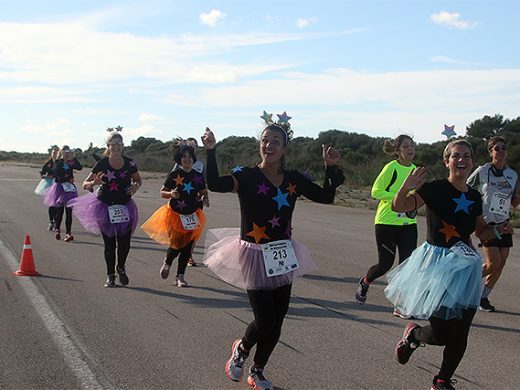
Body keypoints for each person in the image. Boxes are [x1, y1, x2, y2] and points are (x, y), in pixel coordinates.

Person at [201, 111, 344, 390]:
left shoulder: (293, 179)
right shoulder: (247, 175)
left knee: (277, 320)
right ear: (260, 143)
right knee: (264, 319)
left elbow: (326, 197)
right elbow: (215, 184)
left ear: (285, 148)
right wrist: (211, 151)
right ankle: (241, 349)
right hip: (253, 253)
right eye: (266, 140)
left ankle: (258, 371)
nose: (270, 145)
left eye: (276, 141)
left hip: (282, 254)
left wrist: (330, 168)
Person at [385, 139, 512, 390]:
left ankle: (442, 380)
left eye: (466, 156)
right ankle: (414, 335)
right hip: (436, 265)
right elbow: (399, 206)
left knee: (461, 332)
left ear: (472, 162)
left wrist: (498, 230)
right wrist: (405, 187)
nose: (461, 160)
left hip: (465, 267)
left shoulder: (475, 197)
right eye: (456, 156)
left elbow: (481, 232)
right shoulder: (434, 189)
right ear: (447, 161)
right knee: (443, 333)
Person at [355, 135, 418, 319]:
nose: (410, 149)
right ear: (397, 150)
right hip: (386, 223)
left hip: (408, 224)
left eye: (412, 146)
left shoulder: (415, 170)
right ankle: (366, 282)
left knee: (407, 266)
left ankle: (400, 305)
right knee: (385, 264)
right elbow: (376, 191)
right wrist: (400, 197)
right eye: (406, 146)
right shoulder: (391, 168)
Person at [69, 130, 142, 287]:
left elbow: (138, 180)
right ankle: (110, 275)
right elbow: (85, 184)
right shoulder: (101, 164)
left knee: (124, 243)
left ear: (123, 146)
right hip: (105, 206)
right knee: (109, 244)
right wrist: (93, 184)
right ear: (108, 146)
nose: (116, 147)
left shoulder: (130, 163)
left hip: (125, 206)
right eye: (113, 144)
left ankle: (121, 267)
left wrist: (135, 186)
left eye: (119, 144)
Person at [141, 144, 207, 287]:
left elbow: (203, 191)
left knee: (187, 247)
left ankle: (180, 276)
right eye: (184, 157)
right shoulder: (174, 175)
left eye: (189, 157)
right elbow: (162, 192)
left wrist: (205, 197)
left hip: (193, 214)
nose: (187, 160)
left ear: (193, 159)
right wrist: (171, 194)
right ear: (179, 159)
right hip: (175, 214)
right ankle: (168, 262)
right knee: (176, 245)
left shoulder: (198, 176)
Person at [467, 136, 520, 312]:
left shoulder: (512, 175)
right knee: (493, 263)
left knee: (501, 263)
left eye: (504, 148)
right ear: (490, 152)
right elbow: (465, 188)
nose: (501, 151)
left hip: (503, 223)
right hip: (486, 223)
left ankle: (483, 297)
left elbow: (513, 202)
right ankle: (463, 285)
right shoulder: (483, 171)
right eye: (497, 148)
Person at [170, 137, 209, 266]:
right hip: (180, 203)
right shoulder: (180, 163)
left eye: (194, 147)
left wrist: (205, 196)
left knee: (193, 232)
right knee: (180, 232)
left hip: (195, 203)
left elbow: (203, 182)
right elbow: (172, 179)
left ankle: (189, 256)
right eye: (189, 146)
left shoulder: (200, 164)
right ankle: (173, 256)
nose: (192, 149)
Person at [43, 145, 83, 242]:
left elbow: (80, 167)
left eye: (68, 153)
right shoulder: (58, 162)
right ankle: (57, 229)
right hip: (60, 188)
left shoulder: (71, 162)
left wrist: (74, 158)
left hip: (69, 189)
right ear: (61, 153)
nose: (67, 155)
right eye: (65, 153)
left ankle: (68, 233)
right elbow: (55, 171)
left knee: (69, 212)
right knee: (59, 211)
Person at [35, 146, 60, 230]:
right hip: (50, 184)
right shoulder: (48, 163)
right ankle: (51, 221)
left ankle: (57, 221)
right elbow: (42, 173)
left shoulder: (60, 162)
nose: (55, 154)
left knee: (58, 204)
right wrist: (45, 176)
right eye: (53, 153)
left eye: (56, 153)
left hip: (58, 183)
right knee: (52, 203)